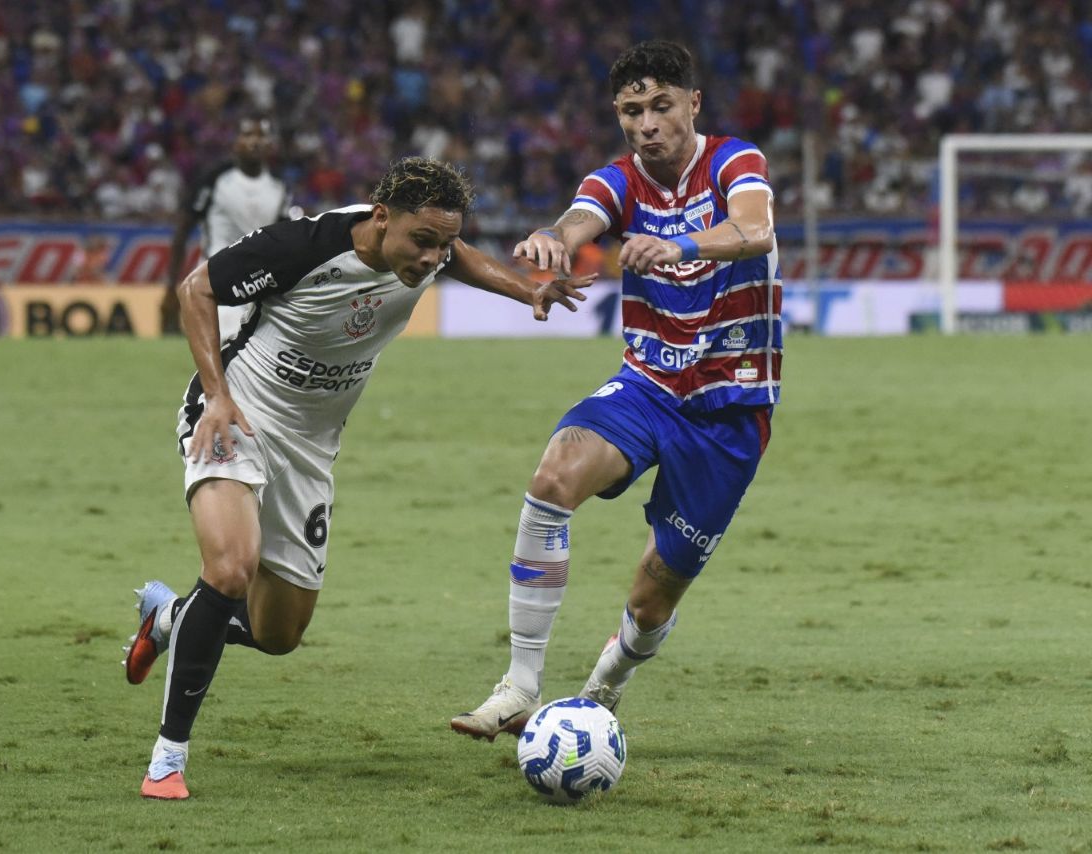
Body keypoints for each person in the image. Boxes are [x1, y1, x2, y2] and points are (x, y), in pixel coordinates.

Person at [123, 156, 593, 799]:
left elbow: (459, 257)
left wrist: (526, 289)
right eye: (421, 241)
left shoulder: (428, 249)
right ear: (380, 219)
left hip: (313, 445)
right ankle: (167, 761)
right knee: (230, 570)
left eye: (442, 241)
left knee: (279, 633)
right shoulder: (306, 244)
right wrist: (216, 396)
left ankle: (172, 620)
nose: (432, 258)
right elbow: (195, 290)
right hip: (238, 414)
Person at [450, 39, 781, 740]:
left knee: (654, 596)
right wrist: (553, 240)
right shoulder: (619, 179)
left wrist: (682, 246)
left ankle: (606, 686)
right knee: (552, 477)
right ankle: (518, 687)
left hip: (730, 409)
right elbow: (581, 217)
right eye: (632, 111)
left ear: (693, 104)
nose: (647, 124)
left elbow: (755, 229)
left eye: (661, 106)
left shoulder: (733, 161)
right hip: (647, 386)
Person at [160, 116, 297, 335]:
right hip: (215, 280)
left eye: (262, 136)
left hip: (260, 285)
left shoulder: (280, 186)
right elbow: (183, 230)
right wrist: (171, 286)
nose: (255, 141)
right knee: (228, 355)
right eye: (248, 135)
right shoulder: (215, 178)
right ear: (235, 142)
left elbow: (285, 243)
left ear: (271, 144)